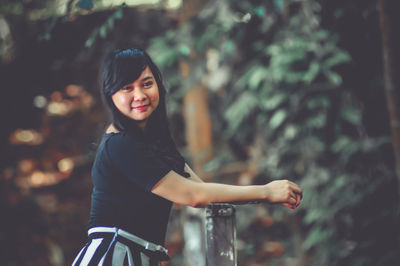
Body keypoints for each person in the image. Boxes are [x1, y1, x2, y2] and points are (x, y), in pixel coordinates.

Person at [72, 48, 303, 266]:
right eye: (126, 88)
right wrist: (266, 192)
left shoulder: (153, 142)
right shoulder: (121, 144)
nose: (140, 95)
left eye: (146, 84)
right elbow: (194, 196)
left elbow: (200, 189)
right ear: (110, 94)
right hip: (114, 257)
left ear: (158, 87)